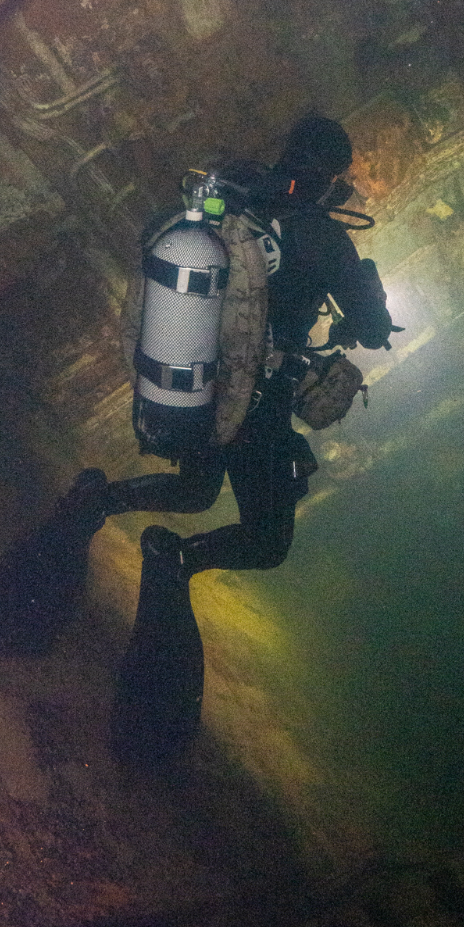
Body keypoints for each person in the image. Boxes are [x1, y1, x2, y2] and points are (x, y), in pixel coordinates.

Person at [65, 113, 395, 582]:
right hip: (258, 403)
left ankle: (96, 500)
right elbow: (373, 327)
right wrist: (367, 283)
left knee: (195, 490)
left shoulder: (232, 193)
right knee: (267, 540)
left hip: (202, 366)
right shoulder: (325, 238)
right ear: (330, 176)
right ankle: (174, 561)